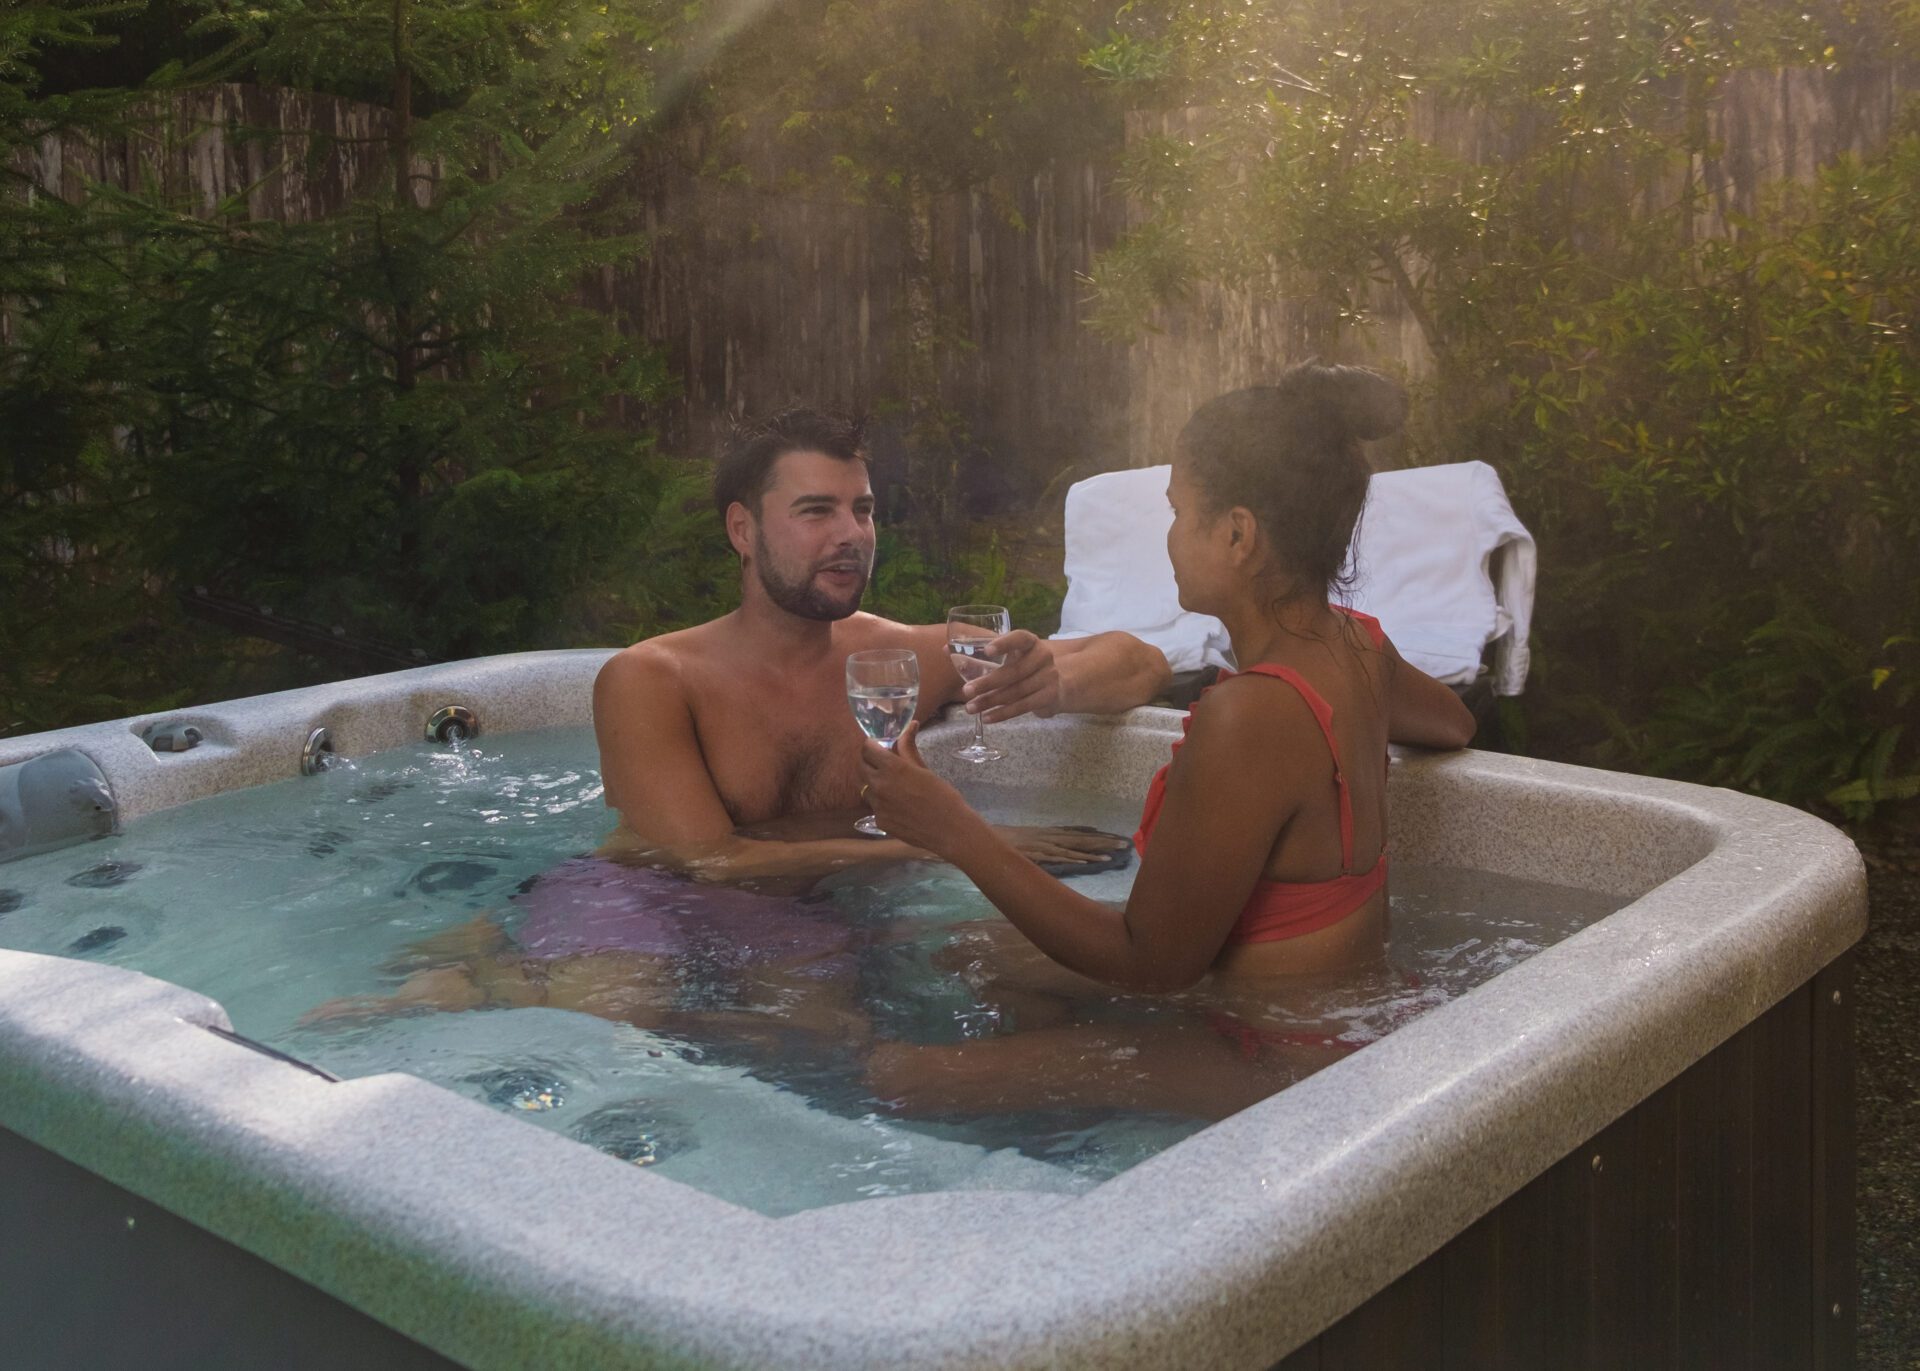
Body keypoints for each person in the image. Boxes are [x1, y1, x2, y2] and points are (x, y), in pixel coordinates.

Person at [855, 364, 1478, 1119]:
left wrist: (953, 829)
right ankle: (1065, 1117)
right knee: (977, 951)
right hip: (1340, 1017)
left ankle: (1068, 1139)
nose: (1172, 535)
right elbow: (1454, 723)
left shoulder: (1250, 715)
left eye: (1179, 512)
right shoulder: (1359, 649)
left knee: (898, 1079)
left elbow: (1149, 962)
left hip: (1280, 1058)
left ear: (1238, 534)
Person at [593, 406, 1171, 880]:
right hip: (645, 915)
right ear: (743, 530)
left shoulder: (891, 661)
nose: (851, 535)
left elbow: (1140, 662)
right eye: (817, 511)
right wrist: (959, 842)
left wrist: (1055, 683)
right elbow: (710, 863)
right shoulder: (651, 680)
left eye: (862, 510)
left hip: (820, 924)